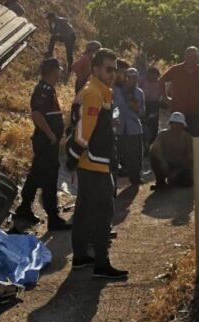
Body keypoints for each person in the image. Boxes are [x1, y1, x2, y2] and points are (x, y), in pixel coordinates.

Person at [66, 48, 129, 280]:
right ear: (95, 69)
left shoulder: (99, 90)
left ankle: (81, 257)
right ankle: (101, 264)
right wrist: (73, 157)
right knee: (104, 211)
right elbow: (84, 132)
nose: (113, 73)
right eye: (108, 69)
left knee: (84, 210)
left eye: (115, 69)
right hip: (94, 162)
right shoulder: (94, 92)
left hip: (93, 160)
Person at [15, 58, 72, 230]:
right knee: (49, 177)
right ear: (53, 71)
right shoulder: (43, 91)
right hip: (46, 142)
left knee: (36, 174)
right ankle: (53, 217)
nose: (60, 73)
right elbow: (37, 114)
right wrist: (51, 135)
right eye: (59, 70)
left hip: (47, 142)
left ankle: (24, 208)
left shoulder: (49, 90)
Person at [159, 46, 199, 136]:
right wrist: (166, 98)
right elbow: (161, 81)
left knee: (195, 136)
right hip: (177, 109)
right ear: (185, 56)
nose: (192, 59)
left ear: (198, 58)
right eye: (190, 56)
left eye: (195, 57)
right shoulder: (176, 69)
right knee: (176, 135)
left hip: (195, 109)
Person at [114, 68, 146, 184]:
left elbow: (142, 112)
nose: (132, 80)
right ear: (125, 78)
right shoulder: (116, 91)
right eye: (130, 77)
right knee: (116, 155)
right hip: (118, 128)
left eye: (135, 78)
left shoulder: (139, 93)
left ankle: (136, 177)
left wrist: (136, 108)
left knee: (135, 156)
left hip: (134, 129)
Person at [149, 112, 194, 190]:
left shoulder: (188, 138)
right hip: (165, 163)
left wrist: (177, 171)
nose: (175, 127)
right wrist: (162, 161)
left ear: (182, 126)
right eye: (173, 124)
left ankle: (175, 179)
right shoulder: (162, 135)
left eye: (178, 125)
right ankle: (160, 181)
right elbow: (154, 149)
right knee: (153, 155)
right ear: (170, 125)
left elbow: (191, 160)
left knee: (188, 183)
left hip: (180, 166)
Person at [141, 66, 163, 149]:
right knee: (144, 124)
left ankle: (151, 146)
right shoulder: (142, 81)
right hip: (144, 104)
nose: (153, 76)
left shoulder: (160, 83)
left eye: (155, 74)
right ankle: (144, 144)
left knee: (153, 127)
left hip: (154, 106)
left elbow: (162, 94)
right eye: (151, 74)